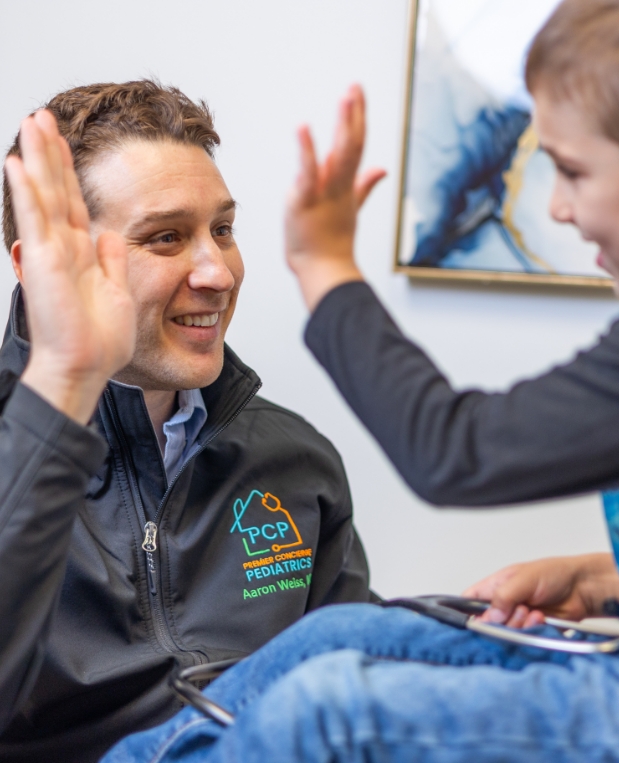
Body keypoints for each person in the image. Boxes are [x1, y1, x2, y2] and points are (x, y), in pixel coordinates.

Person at [101, 0, 619, 760]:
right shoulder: (25, 454)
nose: (557, 208)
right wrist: (606, 577)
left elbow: (454, 452)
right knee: (337, 644)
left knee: (331, 702)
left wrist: (327, 266)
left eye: (569, 170)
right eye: (166, 237)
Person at [0, 80, 372, 763]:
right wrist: (64, 385)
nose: (218, 272)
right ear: (43, 268)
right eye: (166, 237)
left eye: (222, 231)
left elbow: (347, 682)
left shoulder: (295, 459)